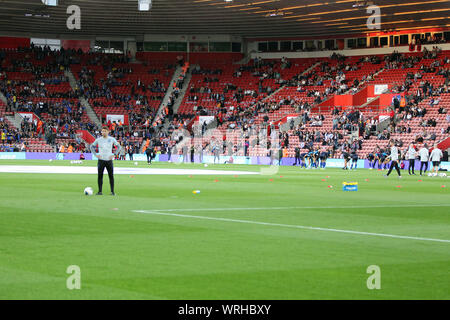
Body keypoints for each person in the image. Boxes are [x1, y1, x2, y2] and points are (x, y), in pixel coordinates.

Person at [90, 127, 121, 196]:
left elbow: (119, 147)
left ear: (108, 131)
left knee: (111, 176)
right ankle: (100, 191)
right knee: (100, 176)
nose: (103, 132)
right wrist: (95, 155)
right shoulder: (98, 140)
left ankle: (112, 192)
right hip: (101, 160)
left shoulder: (112, 139)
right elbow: (91, 146)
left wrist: (114, 154)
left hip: (109, 160)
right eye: (102, 131)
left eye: (104, 131)